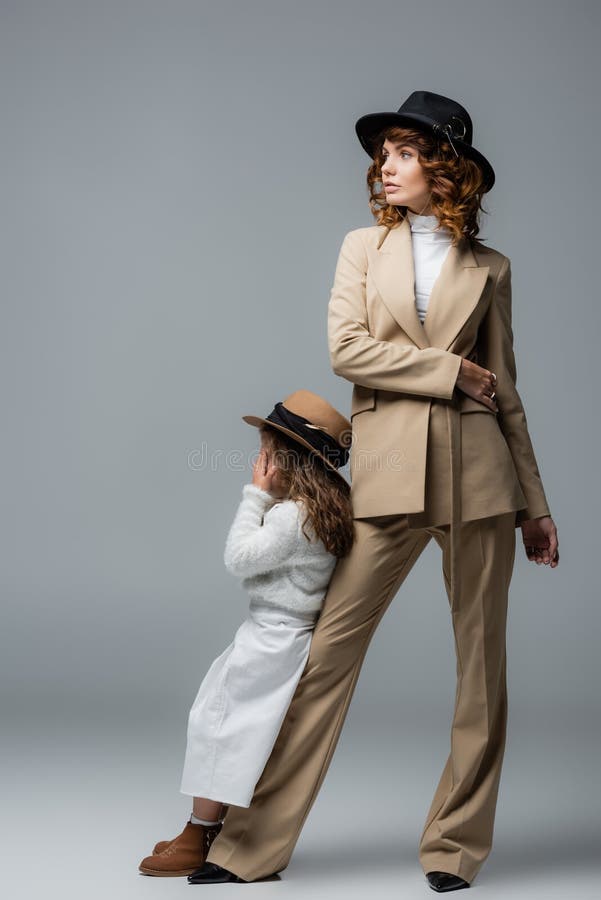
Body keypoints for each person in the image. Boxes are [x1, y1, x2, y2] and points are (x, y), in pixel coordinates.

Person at [191, 92, 560, 891]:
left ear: (444, 167)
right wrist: (446, 371)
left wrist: (535, 502)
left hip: (482, 479)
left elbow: (507, 391)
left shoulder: (490, 269)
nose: (383, 166)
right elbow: (347, 350)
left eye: (402, 152)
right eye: (383, 152)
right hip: (388, 477)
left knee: (480, 671)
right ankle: (248, 847)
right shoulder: (362, 248)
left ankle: (453, 847)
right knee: (323, 660)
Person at [137, 390, 354, 877]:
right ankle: (207, 824)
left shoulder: (291, 518)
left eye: (264, 455)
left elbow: (238, 557)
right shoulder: (327, 510)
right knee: (227, 724)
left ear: (287, 462)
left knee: (218, 725)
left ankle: (200, 831)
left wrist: (254, 494)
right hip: (280, 635)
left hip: (268, 638)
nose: (258, 463)